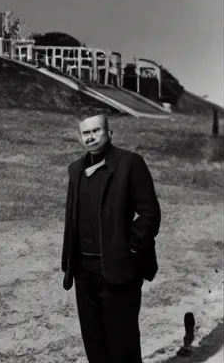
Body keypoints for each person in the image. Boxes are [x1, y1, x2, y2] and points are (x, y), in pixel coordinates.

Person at [61, 113, 161, 363]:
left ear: (109, 133)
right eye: (86, 132)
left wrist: (130, 249)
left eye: (97, 130)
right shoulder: (76, 170)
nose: (91, 136)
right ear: (79, 137)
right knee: (94, 342)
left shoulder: (130, 163)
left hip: (118, 271)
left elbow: (149, 213)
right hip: (84, 272)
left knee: (122, 343)